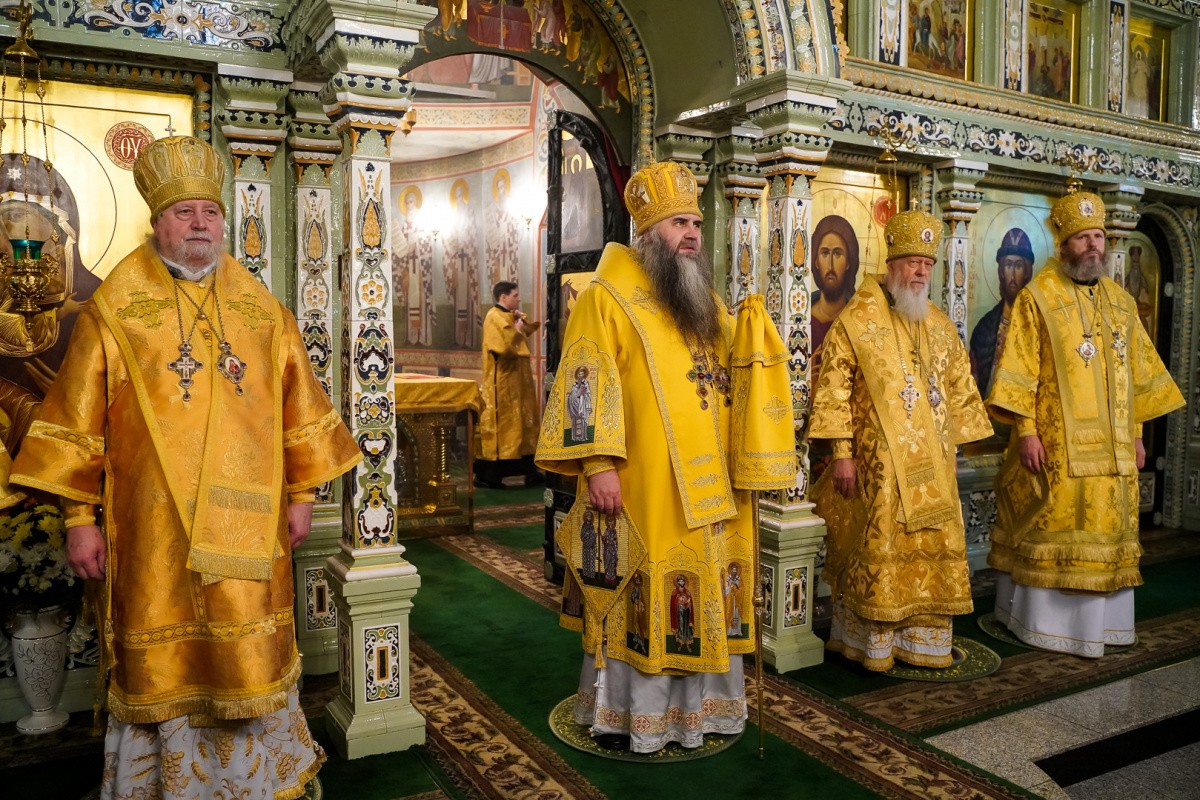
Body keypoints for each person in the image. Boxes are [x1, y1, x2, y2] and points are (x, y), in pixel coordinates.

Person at [9, 135, 362, 799]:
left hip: (248, 527)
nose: (200, 223)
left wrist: (303, 494)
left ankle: (254, 783)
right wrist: (80, 518)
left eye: (210, 211)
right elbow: (76, 421)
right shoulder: (116, 309)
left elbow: (299, 406)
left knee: (245, 655)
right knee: (164, 660)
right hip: (153, 532)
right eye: (185, 212)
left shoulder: (261, 309)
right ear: (158, 222)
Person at [536, 161, 783, 753]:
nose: (692, 233)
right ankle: (633, 717)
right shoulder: (607, 298)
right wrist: (598, 466)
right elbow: (585, 381)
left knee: (702, 593)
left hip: (710, 486)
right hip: (643, 483)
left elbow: (734, 374)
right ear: (648, 233)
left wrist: (753, 326)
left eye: (695, 222)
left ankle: (702, 712)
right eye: (679, 223)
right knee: (643, 587)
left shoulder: (703, 302)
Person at [986, 189, 1184, 658]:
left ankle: (1104, 626)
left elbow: (1137, 376)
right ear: (1064, 244)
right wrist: (1027, 432)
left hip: (1114, 450)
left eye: (1098, 236)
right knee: (1052, 528)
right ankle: (1042, 625)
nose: (1093, 245)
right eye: (1083, 238)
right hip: (1056, 447)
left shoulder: (1121, 302)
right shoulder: (1037, 298)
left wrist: (1137, 436)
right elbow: (1019, 370)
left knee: (1108, 532)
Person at [809, 209, 993, 672]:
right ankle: (871, 643)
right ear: (892, 265)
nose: (920, 272)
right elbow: (833, 387)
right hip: (878, 468)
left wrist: (955, 445)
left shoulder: (938, 323)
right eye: (913, 262)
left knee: (929, 545)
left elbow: (958, 386)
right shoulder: (858, 318)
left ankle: (922, 641)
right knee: (879, 546)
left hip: (934, 466)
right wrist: (842, 454)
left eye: (927, 264)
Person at [476, 280, 542, 489]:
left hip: (519, 382)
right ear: (503, 297)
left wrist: (521, 323)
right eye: (515, 295)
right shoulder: (493, 317)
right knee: (504, 427)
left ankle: (530, 471)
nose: (518, 298)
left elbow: (523, 332)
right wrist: (516, 330)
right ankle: (490, 475)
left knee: (524, 423)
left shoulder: (508, 315)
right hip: (502, 384)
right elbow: (503, 347)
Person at [969, 227, 1035, 397]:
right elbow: (974, 384)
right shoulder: (984, 328)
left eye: (1018, 266)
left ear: (1026, 272)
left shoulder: (1037, 324)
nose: (1012, 274)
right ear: (1001, 271)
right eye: (1008, 265)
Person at [809, 214, 860, 385]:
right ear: (816, 261)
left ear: (848, 262)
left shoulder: (858, 320)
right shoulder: (799, 318)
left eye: (838, 254)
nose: (830, 265)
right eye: (824, 253)